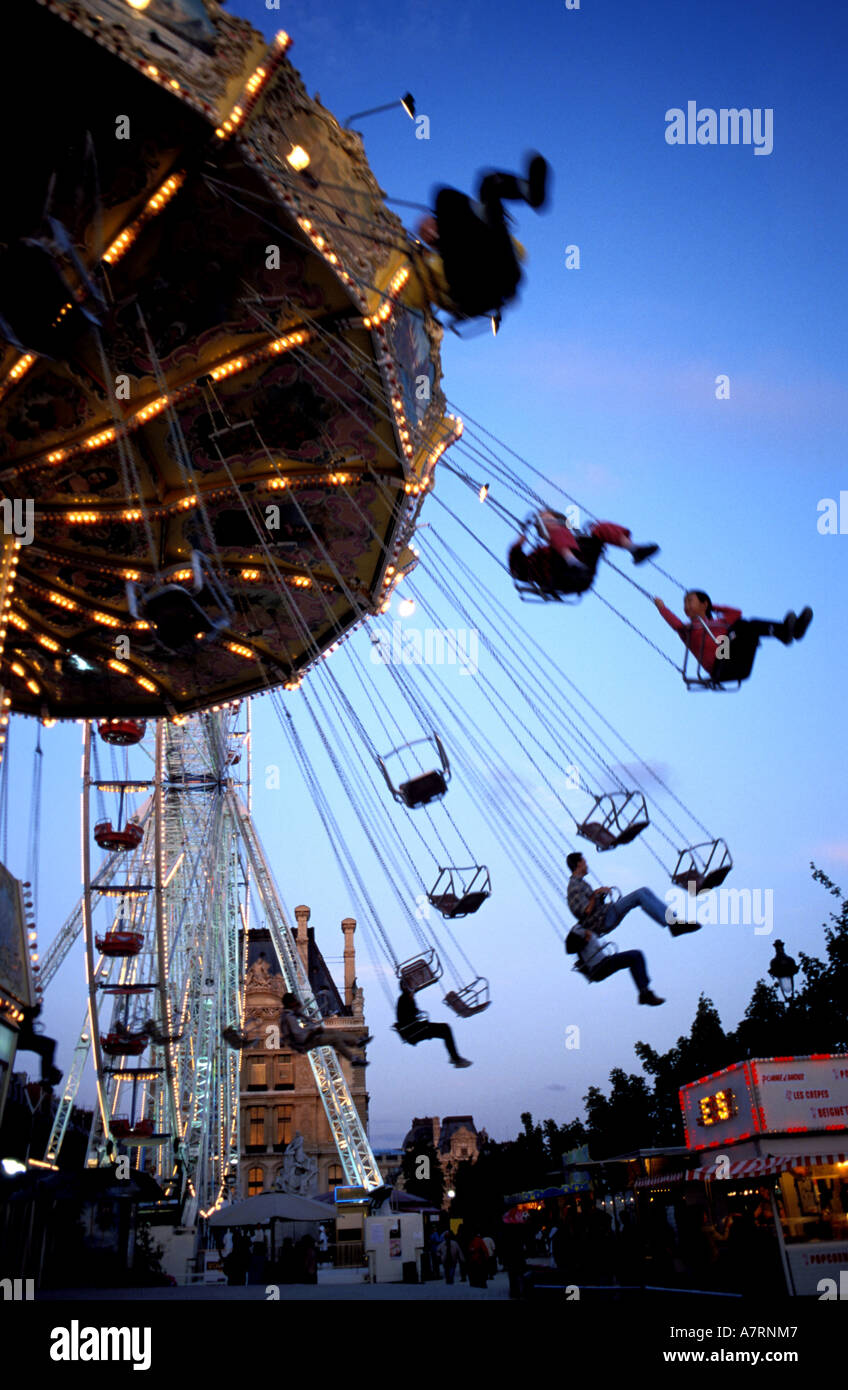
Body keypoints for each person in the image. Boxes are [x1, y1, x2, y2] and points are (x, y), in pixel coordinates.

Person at [415, 153, 549, 321]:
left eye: (430, 223)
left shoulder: (457, 231)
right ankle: (491, 210)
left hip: (493, 267)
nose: (429, 226)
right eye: (425, 230)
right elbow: (441, 294)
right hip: (475, 283)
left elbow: (519, 251)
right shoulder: (436, 262)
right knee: (449, 197)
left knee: (487, 184)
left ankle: (530, 192)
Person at [565, 850, 700, 1005]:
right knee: (640, 895)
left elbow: (591, 905)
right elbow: (585, 913)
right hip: (602, 920)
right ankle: (674, 925)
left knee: (644, 892)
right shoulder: (574, 886)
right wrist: (596, 894)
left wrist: (598, 897)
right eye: (584, 861)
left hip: (604, 914)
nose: (587, 864)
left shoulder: (581, 883)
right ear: (578, 864)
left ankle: (673, 923)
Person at [654, 590, 813, 684]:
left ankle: (791, 631)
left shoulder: (721, 621)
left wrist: (712, 606)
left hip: (738, 664)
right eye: (685, 603)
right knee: (743, 626)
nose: (686, 606)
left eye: (690, 601)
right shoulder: (688, 628)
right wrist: (662, 608)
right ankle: (785, 633)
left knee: (748, 624)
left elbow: (736, 613)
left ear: (704, 604)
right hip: (721, 665)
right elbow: (676, 624)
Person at [509, 509, 659, 598]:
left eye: (549, 518)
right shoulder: (539, 554)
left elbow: (565, 532)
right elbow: (518, 571)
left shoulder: (570, 538)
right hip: (558, 575)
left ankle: (634, 549)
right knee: (561, 535)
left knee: (599, 528)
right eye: (544, 519)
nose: (546, 521)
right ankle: (571, 562)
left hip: (582, 570)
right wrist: (516, 548)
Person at [395, 978, 472, 1067]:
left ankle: (454, 1057)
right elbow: (406, 1016)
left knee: (445, 1029)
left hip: (415, 1029)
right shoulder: (405, 999)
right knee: (445, 1028)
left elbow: (407, 1014)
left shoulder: (406, 998)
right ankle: (455, 1058)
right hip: (415, 1031)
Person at [279, 993, 370, 1066]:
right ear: (291, 1003)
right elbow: (300, 1037)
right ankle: (353, 1057)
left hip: (304, 1038)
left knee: (331, 1031)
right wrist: (314, 1032)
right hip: (304, 1043)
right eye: (295, 1000)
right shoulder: (289, 1017)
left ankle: (356, 1042)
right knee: (334, 1039)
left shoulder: (290, 1014)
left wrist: (300, 1014)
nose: (297, 1002)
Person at [16, 1004, 62, 1087]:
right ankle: (46, 1077)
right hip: (23, 1036)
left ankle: (47, 1076)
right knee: (49, 1045)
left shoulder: (26, 1011)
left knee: (49, 1046)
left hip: (25, 1036)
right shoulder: (25, 1011)